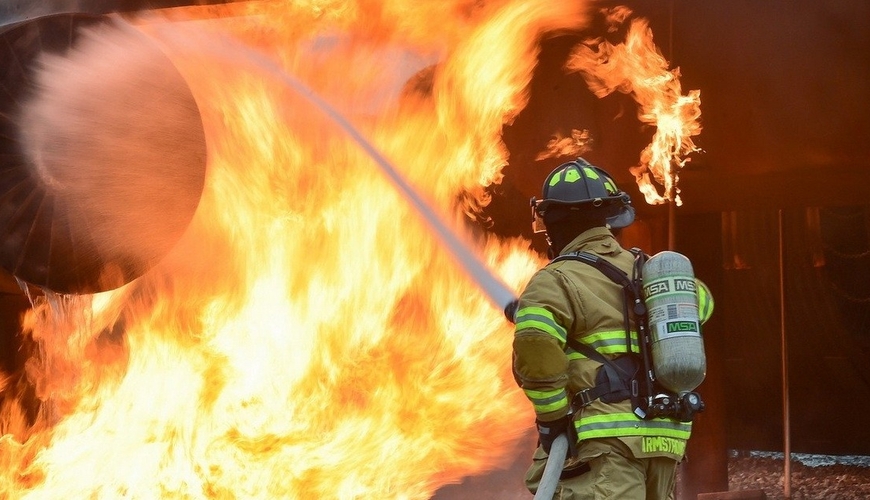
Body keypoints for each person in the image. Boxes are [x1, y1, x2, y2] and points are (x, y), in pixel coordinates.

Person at [508, 158, 711, 499]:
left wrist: (552, 418)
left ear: (554, 222)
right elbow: (701, 304)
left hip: (605, 442)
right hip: (663, 439)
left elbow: (536, 349)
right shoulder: (646, 271)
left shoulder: (555, 279)